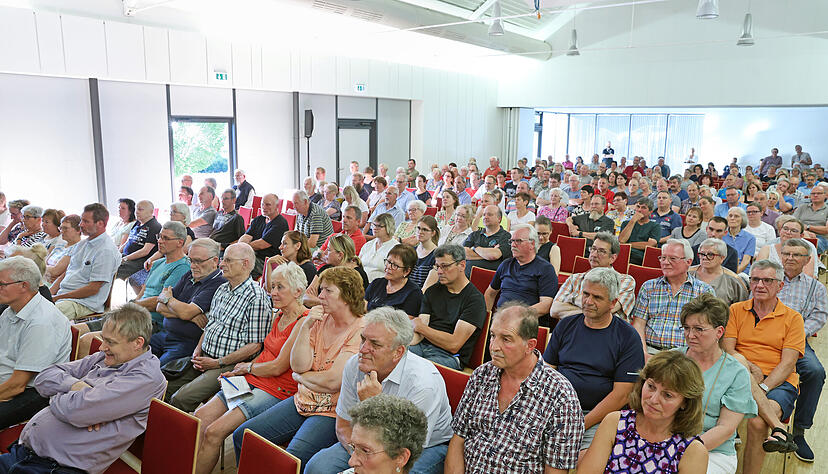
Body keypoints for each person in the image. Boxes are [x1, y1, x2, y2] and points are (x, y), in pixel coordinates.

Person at [0, 303, 166, 474]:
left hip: (57, 467)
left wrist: (56, 396)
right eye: (103, 339)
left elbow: (75, 411)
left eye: (110, 342)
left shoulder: (146, 378)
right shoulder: (106, 357)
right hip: (26, 453)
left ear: (138, 343)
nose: (102, 347)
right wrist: (75, 386)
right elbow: (44, 377)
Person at [232, 267, 365, 468]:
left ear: (347, 296)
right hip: (302, 400)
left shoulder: (360, 330)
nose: (320, 296)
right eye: (321, 290)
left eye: (328, 291)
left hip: (332, 411)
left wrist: (301, 378)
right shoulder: (319, 320)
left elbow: (331, 382)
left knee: (291, 458)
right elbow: (298, 364)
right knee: (243, 435)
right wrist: (305, 325)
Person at [192, 262, 308, 474]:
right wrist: (237, 373)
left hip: (277, 390)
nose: (273, 292)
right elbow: (265, 355)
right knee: (200, 417)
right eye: (272, 287)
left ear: (298, 291)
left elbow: (277, 367)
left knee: (215, 431)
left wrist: (245, 368)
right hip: (255, 380)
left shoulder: (304, 321)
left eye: (280, 287)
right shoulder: (279, 315)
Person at [306, 307, 453, 473]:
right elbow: (343, 426)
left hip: (419, 449)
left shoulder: (423, 384)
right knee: (317, 467)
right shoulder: (355, 364)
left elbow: (403, 448)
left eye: (375, 344)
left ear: (398, 352)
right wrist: (359, 457)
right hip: (364, 442)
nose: (362, 349)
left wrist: (373, 403)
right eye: (363, 340)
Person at [446, 303, 583, 473]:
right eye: (492, 335)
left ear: (530, 345)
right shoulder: (481, 375)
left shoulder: (561, 396)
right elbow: (458, 439)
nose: (494, 347)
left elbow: (555, 470)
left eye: (506, 339)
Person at [544, 267, 644, 454]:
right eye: (586, 294)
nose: (588, 302)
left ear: (613, 303)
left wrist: (580, 424)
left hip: (597, 417)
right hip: (556, 410)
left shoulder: (628, 337)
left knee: (586, 462)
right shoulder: (566, 325)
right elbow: (546, 372)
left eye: (597, 298)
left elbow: (621, 395)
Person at [164, 243, 272, 412]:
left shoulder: (256, 297)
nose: (221, 264)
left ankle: (181, 436)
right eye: (223, 260)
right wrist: (198, 350)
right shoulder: (222, 288)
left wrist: (217, 363)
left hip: (228, 365)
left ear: (245, 264)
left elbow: (255, 346)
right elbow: (210, 326)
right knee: (163, 382)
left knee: (181, 398)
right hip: (204, 357)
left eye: (228, 260)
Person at [723, 260, 805, 474]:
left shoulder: (793, 318)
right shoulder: (736, 310)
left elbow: (788, 363)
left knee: (758, 424)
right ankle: (779, 428)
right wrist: (750, 367)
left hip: (779, 382)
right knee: (757, 419)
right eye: (755, 279)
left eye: (767, 280)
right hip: (740, 375)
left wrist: (763, 388)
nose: (760, 285)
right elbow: (728, 350)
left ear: (780, 286)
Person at [579, 350, 708, 474]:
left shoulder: (693, 450)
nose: (653, 399)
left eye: (667, 395)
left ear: (685, 402)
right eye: (651, 386)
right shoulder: (615, 422)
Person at [677, 294, 757, 474]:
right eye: (687, 328)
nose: (690, 335)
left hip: (713, 451)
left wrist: (683, 451)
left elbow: (726, 428)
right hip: (666, 440)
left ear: (719, 332)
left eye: (699, 329)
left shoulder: (736, 373)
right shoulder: (672, 360)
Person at [0, 256, 71, 429]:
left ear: (24, 286)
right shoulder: (10, 311)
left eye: (2, 284)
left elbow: (17, 385)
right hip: (8, 382)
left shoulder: (41, 322)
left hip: (32, 392)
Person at [775, 239, 827, 462]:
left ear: (807, 260)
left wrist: (796, 334)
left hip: (796, 341)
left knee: (815, 372)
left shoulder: (816, 286)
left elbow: (820, 315)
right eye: (786, 253)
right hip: (762, 339)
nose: (790, 258)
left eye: (797, 255)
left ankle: (799, 431)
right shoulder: (767, 279)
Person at [150, 238, 226, 366]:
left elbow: (185, 311)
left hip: (185, 343)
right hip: (165, 334)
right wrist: (190, 317)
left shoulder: (218, 283)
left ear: (215, 261)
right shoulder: (189, 275)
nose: (192, 265)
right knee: (131, 355)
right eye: (191, 260)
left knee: (156, 371)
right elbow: (159, 307)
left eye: (198, 261)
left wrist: (169, 299)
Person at [632, 239, 714, 356]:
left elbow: (706, 330)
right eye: (663, 258)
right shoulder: (649, 287)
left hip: (686, 354)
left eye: (672, 258)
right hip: (650, 350)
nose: (665, 262)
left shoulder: (703, 291)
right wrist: (643, 353)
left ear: (688, 261)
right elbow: (638, 324)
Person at [411, 244, 486, 371]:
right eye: (437, 266)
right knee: (392, 355)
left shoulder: (475, 300)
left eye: (445, 266)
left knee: (418, 368)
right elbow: (420, 327)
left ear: (462, 265)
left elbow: (454, 344)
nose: (439, 271)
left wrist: (421, 328)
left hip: (449, 356)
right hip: (422, 346)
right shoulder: (432, 291)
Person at [52, 203, 121, 320]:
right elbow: (67, 272)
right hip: (64, 296)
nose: (81, 225)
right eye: (81, 221)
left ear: (100, 224)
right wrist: (49, 293)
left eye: (85, 221)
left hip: (83, 303)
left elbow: (93, 289)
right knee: (26, 304)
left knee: (42, 315)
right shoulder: (82, 244)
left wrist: (57, 298)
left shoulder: (106, 250)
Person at [550, 232, 636, 322]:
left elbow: (609, 309)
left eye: (601, 251)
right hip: (571, 332)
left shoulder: (625, 281)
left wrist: (573, 299)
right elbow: (554, 310)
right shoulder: (574, 279)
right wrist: (593, 312)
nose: (594, 254)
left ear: (612, 258)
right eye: (593, 249)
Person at [484, 224, 558, 324]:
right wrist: (487, 320)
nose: (513, 245)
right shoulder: (506, 264)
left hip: (525, 323)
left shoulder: (545, 269)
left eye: (518, 241)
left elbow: (546, 305)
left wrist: (518, 315)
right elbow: (490, 293)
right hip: (500, 321)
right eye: (512, 241)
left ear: (532, 244)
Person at [306, 234, 370, 306]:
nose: (325, 252)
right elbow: (306, 296)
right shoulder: (326, 268)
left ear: (340, 255)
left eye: (329, 250)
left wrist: (318, 301)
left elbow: (350, 306)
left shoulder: (357, 275)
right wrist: (325, 302)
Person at [239, 193, 289, 280]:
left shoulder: (280, 223)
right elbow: (246, 236)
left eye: (268, 204)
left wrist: (243, 247)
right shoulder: (259, 219)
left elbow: (262, 244)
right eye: (262, 204)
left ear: (277, 206)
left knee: (239, 262)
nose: (264, 207)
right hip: (253, 255)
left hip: (268, 261)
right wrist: (240, 246)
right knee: (235, 258)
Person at [364, 244, 422, 318]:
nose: (388, 267)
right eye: (388, 262)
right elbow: (363, 309)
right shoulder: (376, 283)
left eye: (394, 265)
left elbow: (405, 323)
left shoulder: (413, 293)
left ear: (407, 271)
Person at [117, 200, 162, 288]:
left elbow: (145, 251)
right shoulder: (137, 223)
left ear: (150, 212)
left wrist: (126, 258)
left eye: (140, 210)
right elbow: (128, 241)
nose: (137, 212)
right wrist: (118, 254)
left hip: (140, 260)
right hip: (127, 256)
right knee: (107, 263)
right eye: (136, 209)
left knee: (113, 270)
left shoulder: (155, 226)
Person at [690, 238, 748, 306]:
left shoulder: (734, 281)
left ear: (722, 258)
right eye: (702, 254)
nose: (704, 258)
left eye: (710, 255)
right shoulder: (688, 273)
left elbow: (741, 308)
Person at [463, 205, 512, 277]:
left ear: (499, 219)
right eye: (484, 214)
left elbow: (494, 255)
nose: (485, 217)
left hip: (493, 280)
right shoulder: (474, 235)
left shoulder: (506, 236)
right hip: (468, 278)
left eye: (490, 214)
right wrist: (487, 254)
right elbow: (463, 253)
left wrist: (475, 248)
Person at [618, 198, 660, 265]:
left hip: (640, 257)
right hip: (624, 254)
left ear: (650, 212)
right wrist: (633, 221)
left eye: (643, 208)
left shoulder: (655, 226)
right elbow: (621, 240)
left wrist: (628, 245)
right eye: (638, 207)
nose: (639, 210)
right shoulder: (626, 223)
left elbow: (650, 244)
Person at [360, 213, 399, 282]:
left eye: (379, 226)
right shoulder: (368, 245)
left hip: (381, 286)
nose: (375, 228)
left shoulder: (396, 247)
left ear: (388, 227)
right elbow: (358, 265)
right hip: (361, 283)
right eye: (374, 225)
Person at [45, 214, 82, 284]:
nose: (61, 231)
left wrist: (46, 271)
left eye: (65, 228)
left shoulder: (78, 248)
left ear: (78, 230)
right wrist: (48, 272)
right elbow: (43, 264)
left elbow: (55, 271)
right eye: (61, 228)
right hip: (45, 280)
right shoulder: (60, 244)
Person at [794, 183, 828, 253]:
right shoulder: (802, 207)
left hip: (820, 237)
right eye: (813, 193)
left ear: (825, 195)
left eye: (819, 193)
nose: (815, 195)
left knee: (808, 244)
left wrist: (808, 227)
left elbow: (826, 229)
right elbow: (793, 222)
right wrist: (804, 231)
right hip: (800, 234)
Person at [723, 207, 755, 274]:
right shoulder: (721, 235)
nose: (732, 218)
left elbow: (745, 262)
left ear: (742, 220)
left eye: (736, 216)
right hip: (722, 270)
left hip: (741, 273)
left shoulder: (750, 238)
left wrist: (733, 274)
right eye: (730, 216)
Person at [410, 216, 439, 289]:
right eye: (418, 228)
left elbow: (427, 288)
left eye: (425, 230)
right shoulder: (411, 251)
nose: (420, 232)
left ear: (433, 233)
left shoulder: (437, 255)